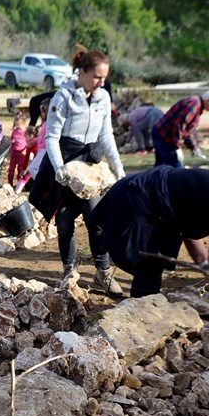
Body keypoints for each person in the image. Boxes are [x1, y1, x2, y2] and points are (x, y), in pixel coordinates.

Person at [87, 167, 209, 298]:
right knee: (149, 266)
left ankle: (124, 289)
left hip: (134, 186)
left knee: (153, 259)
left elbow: (188, 223)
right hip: (138, 200)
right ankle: (141, 316)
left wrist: (202, 261)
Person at [28, 45, 126, 297]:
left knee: (96, 218)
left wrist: (119, 169)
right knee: (64, 220)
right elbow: (51, 137)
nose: (102, 82)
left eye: (105, 77)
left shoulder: (103, 97)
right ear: (82, 72)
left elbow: (106, 135)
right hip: (65, 162)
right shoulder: (62, 99)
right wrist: (60, 169)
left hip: (90, 168)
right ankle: (69, 270)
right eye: (97, 77)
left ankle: (102, 271)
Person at [152, 88, 209, 167]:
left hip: (162, 132)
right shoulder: (193, 105)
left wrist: (194, 147)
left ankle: (153, 179)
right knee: (176, 165)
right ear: (208, 101)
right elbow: (179, 127)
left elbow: (188, 131)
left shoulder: (196, 104)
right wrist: (177, 148)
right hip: (164, 134)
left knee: (161, 165)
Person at [16, 98, 50, 192]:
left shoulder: (50, 124)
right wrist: (35, 142)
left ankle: (44, 185)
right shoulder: (44, 123)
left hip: (45, 150)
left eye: (43, 112)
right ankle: (44, 185)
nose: (41, 114)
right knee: (39, 169)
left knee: (32, 168)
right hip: (41, 149)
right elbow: (41, 137)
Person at [7, 112, 31, 186]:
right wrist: (12, 141)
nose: (17, 126)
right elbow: (11, 139)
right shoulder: (15, 131)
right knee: (11, 168)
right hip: (14, 152)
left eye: (18, 124)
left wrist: (25, 149)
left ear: (23, 123)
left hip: (21, 153)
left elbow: (28, 142)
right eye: (16, 124)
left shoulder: (25, 132)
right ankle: (10, 183)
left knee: (20, 169)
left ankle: (19, 183)